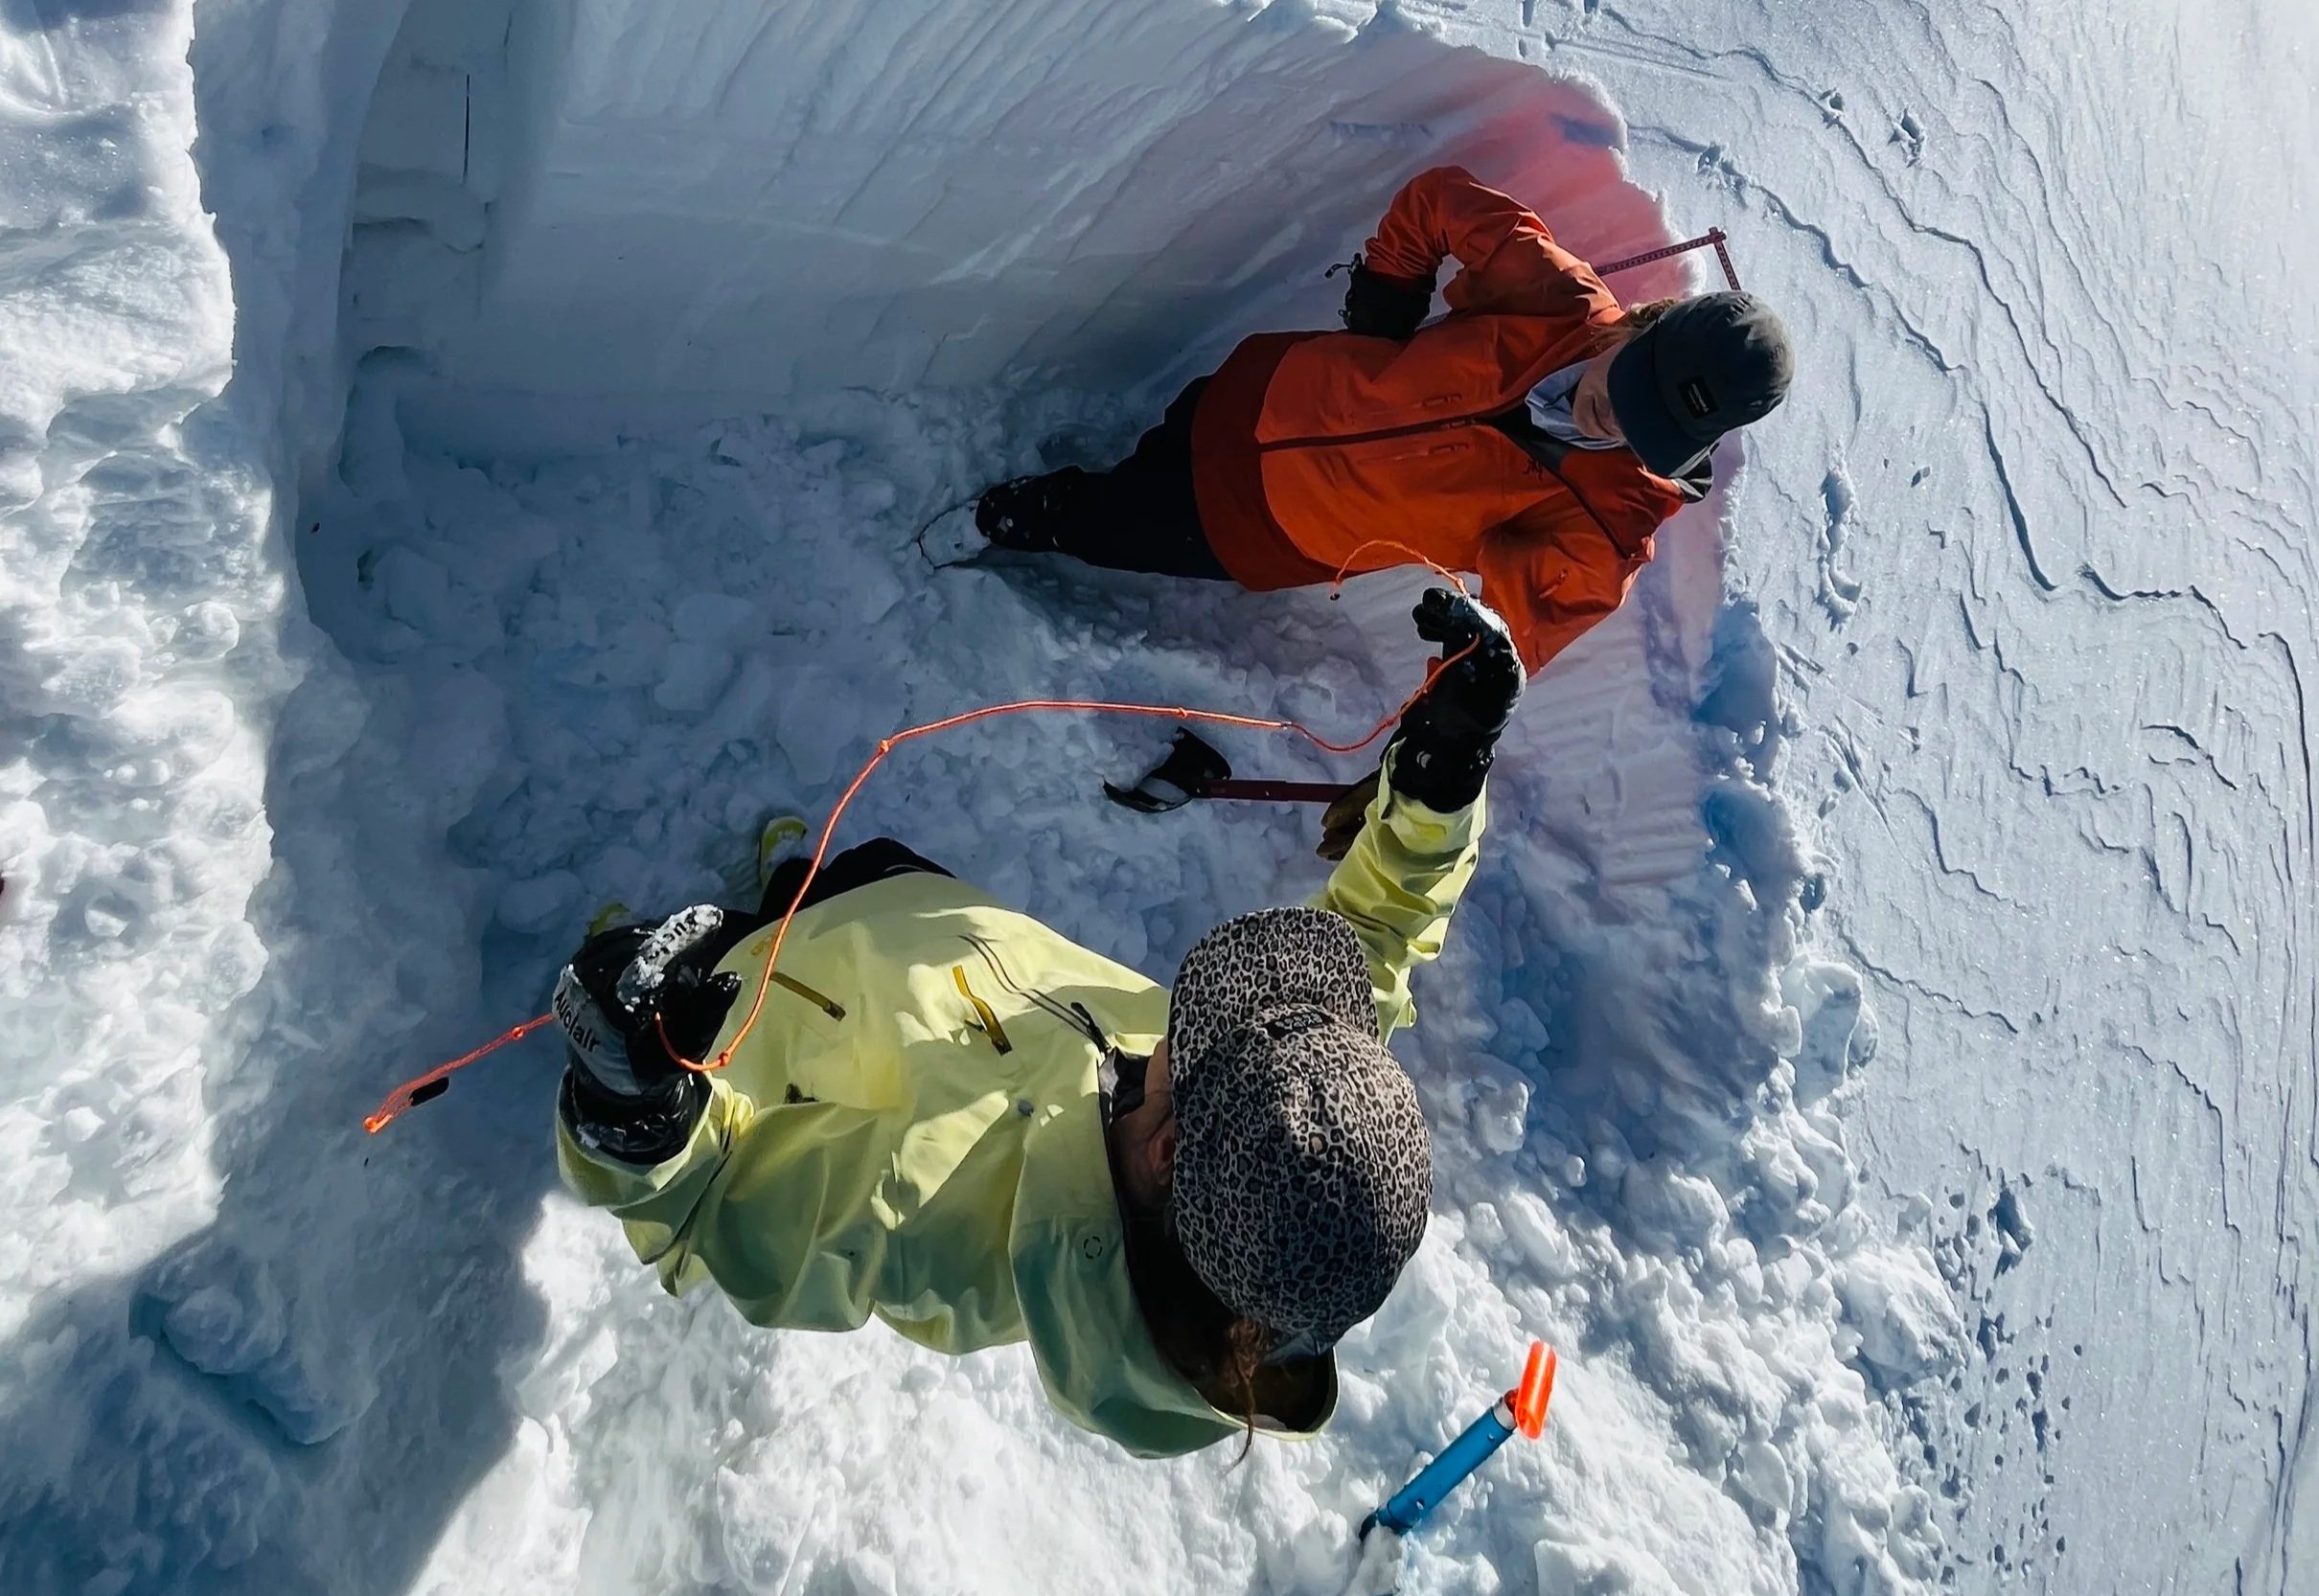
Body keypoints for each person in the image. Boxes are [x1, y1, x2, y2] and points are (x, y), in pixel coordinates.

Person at [553, 589, 1521, 1457]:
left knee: (693, 964)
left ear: (1171, 1148)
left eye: (1196, 1034)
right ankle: (793, 891)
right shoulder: (1298, 1122)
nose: (1195, 1020)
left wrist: (635, 1101)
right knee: (845, 882)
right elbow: (1375, 938)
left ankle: (687, 960)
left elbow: (717, 1211)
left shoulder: (948, 1226)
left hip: (752, 1035)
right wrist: (1441, 780)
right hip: (923, 923)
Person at [923, 165, 1794, 682]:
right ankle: (1110, 478)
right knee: (1163, 446)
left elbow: (1511, 652)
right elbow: (1443, 199)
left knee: (1111, 525)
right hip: (1266, 387)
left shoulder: (1608, 524)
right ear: (1643, 328)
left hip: (1272, 530)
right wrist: (1388, 289)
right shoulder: (1559, 299)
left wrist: (1460, 695)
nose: (1612, 419)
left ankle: (1031, 514)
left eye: (1644, 433)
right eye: (1629, 386)